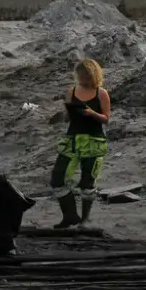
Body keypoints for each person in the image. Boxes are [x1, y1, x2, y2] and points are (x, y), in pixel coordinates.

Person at [50, 58, 110, 228]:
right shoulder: (72, 91)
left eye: (86, 77)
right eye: (81, 76)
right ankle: (70, 215)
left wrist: (91, 113)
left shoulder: (101, 93)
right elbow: (68, 117)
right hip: (72, 139)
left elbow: (106, 119)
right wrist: (69, 113)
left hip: (93, 141)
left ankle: (85, 219)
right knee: (57, 178)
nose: (83, 80)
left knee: (88, 182)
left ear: (94, 75)